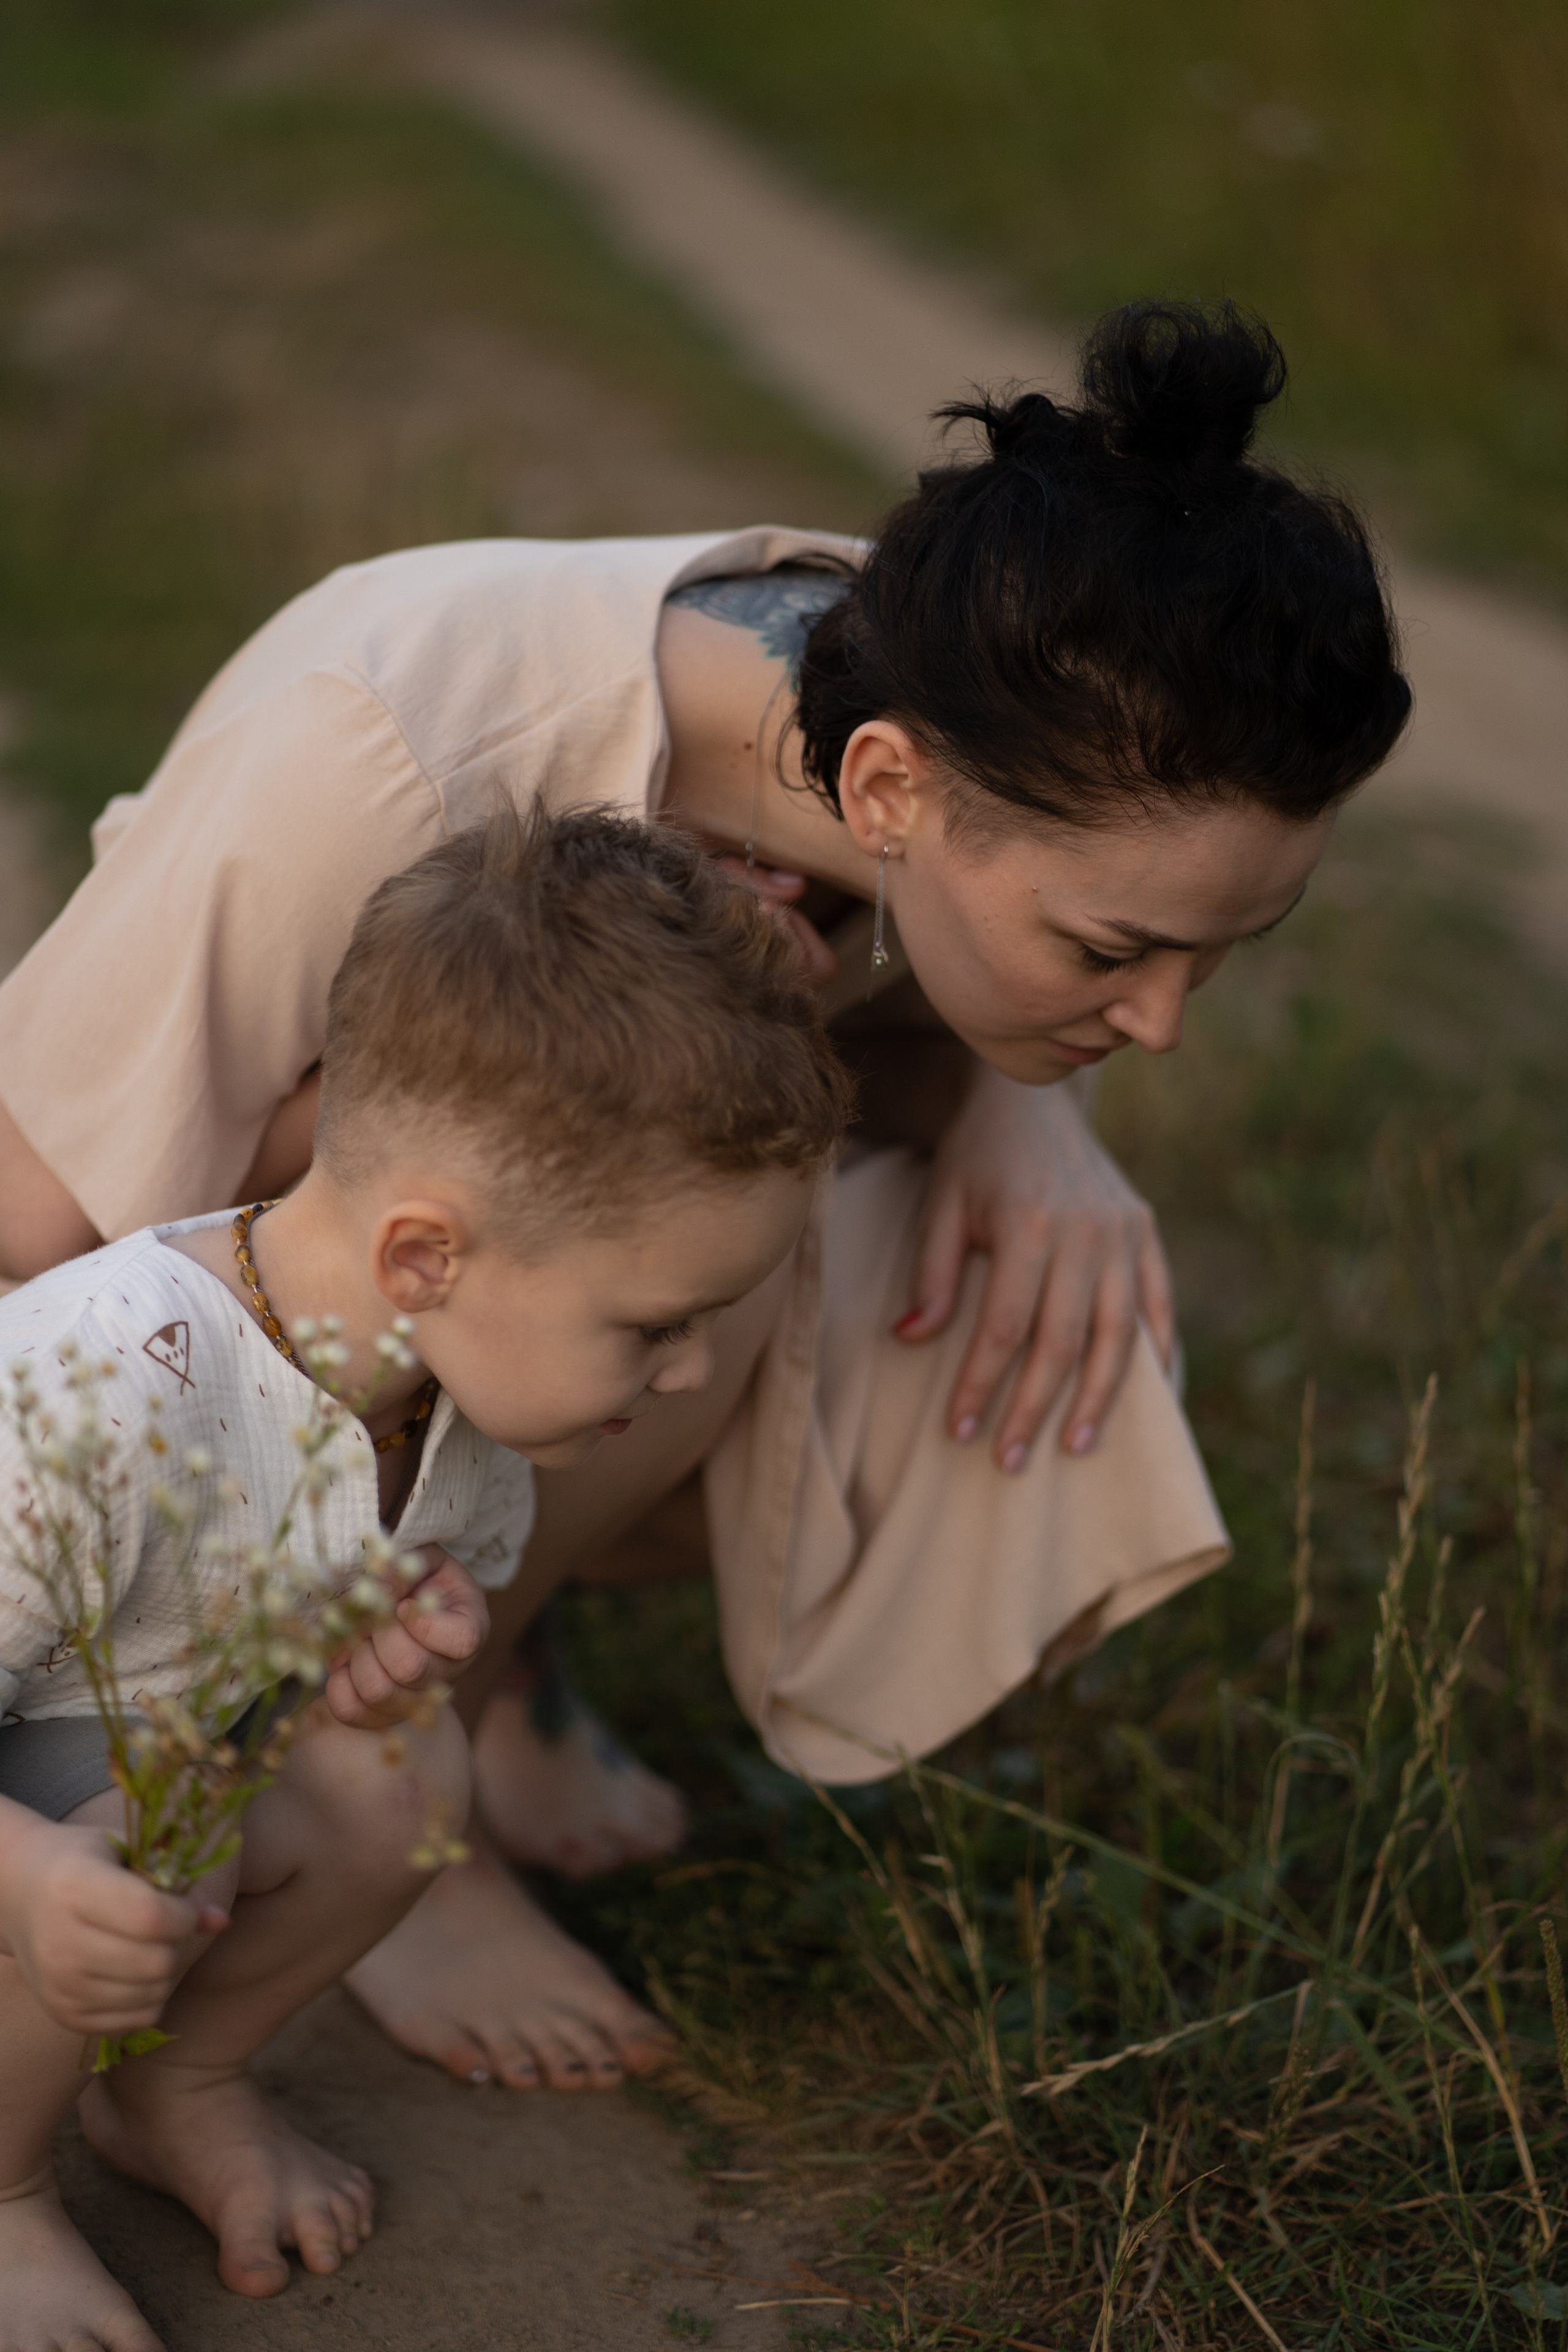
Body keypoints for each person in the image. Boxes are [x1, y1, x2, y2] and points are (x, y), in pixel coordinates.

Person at [0, 301, 1412, 2095]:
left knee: (876, 1239)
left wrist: (1026, 1115)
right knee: (692, 1229)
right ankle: (392, 1803)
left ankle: (488, 1677)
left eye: (1215, 960)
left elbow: (944, 990)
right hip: (234, 1260)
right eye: (1114, 953)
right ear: (889, 788)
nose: (1159, 1025)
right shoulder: (379, 756)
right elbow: (41, 1222)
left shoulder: (967, 684)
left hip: (480, 1309)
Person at [0, 809, 849, 2348]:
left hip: (108, 1793)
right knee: (151, 1840)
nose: (691, 1372)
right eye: (656, 1322)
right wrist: (30, 1874)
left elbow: (321, 1650)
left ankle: (173, 2089)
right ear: (423, 1259)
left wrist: (393, 1650)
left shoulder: (443, 1385)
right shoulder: (100, 1386)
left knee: (395, 1770)